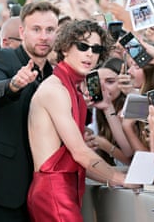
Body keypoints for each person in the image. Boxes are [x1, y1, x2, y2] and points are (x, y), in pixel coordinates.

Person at [0, 1, 60, 221]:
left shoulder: (53, 73)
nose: (44, 37)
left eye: (50, 30)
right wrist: (14, 85)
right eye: (36, 29)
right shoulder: (1, 58)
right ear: (22, 31)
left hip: (38, 187)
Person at [27, 19, 127, 221]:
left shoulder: (73, 88)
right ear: (65, 48)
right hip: (54, 190)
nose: (90, 53)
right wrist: (119, 178)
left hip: (64, 187)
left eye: (96, 49)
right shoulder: (55, 90)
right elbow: (80, 153)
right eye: (83, 46)